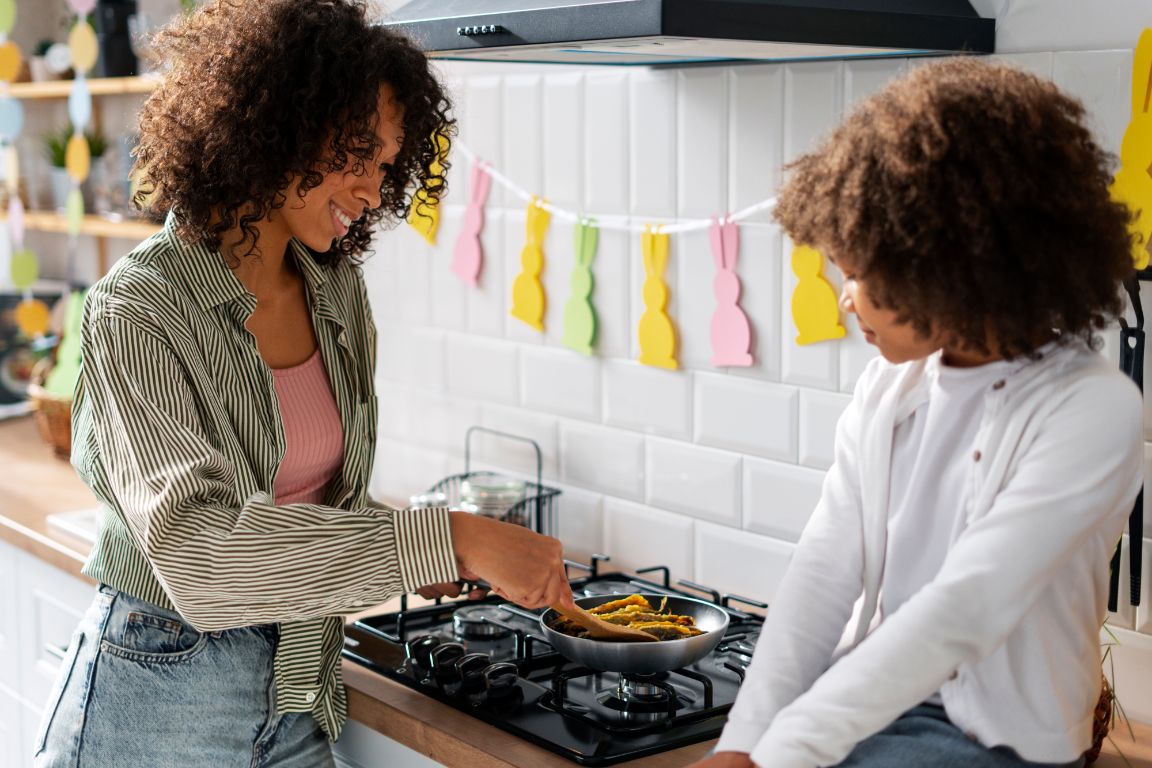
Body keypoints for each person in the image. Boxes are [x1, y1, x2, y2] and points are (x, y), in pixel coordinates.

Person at [33, 1, 574, 765]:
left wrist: (441, 559)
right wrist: (445, 539)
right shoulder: (138, 309)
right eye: (358, 154)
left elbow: (309, 504)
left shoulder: (334, 293)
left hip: (298, 691)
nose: (373, 191)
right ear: (280, 124)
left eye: (386, 166)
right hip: (156, 700)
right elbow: (204, 557)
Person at [692, 58, 1144, 768]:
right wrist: (742, 743)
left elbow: (965, 610)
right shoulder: (886, 391)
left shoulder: (1092, 409)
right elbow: (823, 572)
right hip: (872, 702)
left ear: (951, 267)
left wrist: (781, 752)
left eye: (864, 275)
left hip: (991, 741)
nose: (846, 298)